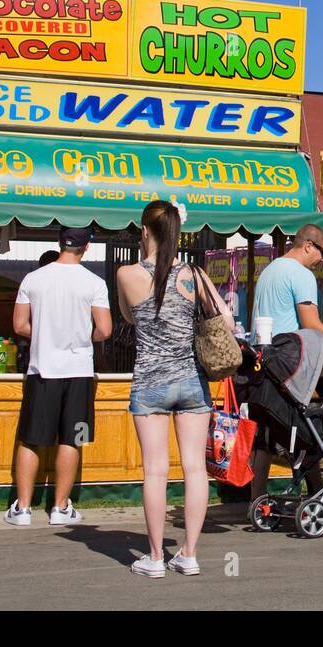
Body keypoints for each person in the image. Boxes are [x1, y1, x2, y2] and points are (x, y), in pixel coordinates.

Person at [116, 200, 231, 578]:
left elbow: (130, 317)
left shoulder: (126, 274)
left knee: (155, 471)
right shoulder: (194, 275)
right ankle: (189, 553)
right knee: (195, 468)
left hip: (149, 382)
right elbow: (225, 319)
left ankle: (153, 558)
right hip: (191, 382)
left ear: (144, 232)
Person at [5, 227, 112, 527]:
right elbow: (104, 330)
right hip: (78, 372)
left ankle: (23, 508)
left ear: (59, 244)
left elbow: (19, 324)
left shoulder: (33, 279)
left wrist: (44, 335)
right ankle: (60, 507)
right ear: (86, 247)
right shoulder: (94, 283)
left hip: (42, 369)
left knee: (30, 439)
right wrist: (80, 337)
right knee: (71, 439)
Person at [248, 224, 323, 499]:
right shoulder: (302, 274)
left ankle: (257, 498)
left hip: (264, 362)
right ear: (308, 245)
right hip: (291, 365)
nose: (322, 260)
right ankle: (321, 491)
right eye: (322, 252)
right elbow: (311, 324)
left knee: (267, 433)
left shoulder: (270, 270)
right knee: (307, 427)